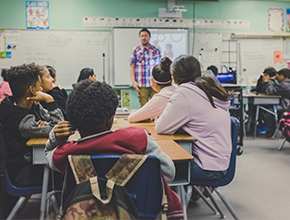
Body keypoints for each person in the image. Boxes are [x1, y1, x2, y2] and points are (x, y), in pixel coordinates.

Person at [45, 80, 184, 219]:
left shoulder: (67, 153)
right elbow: (169, 173)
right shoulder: (138, 139)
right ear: (110, 119)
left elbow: (48, 156)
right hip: (140, 212)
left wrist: (55, 138)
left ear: (73, 122)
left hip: (89, 213)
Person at [155, 55, 232, 183]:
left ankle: (172, 202)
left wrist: (158, 119)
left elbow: (161, 127)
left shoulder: (184, 92)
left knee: (151, 167)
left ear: (174, 77)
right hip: (220, 163)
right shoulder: (207, 88)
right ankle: (190, 195)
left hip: (206, 167)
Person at [0, 63, 64, 187]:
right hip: (22, 172)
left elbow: (53, 123)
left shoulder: (30, 104)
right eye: (40, 85)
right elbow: (60, 128)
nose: (42, 89)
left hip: (31, 164)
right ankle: (55, 205)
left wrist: (47, 125)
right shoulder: (21, 121)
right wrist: (49, 99)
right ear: (32, 90)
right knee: (67, 170)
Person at [128, 57, 176, 122]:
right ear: (172, 79)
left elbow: (131, 118)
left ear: (153, 80)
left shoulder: (159, 98)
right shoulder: (179, 92)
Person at [129, 28, 161, 107]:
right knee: (144, 107)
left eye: (146, 36)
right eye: (142, 36)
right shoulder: (135, 50)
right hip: (141, 84)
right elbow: (131, 66)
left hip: (154, 83)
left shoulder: (155, 50)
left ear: (149, 37)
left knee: (156, 106)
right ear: (140, 37)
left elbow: (159, 67)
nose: (144, 37)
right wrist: (133, 81)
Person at [264, 68, 290, 137]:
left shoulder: (284, 85)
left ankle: (270, 131)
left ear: (282, 76)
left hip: (286, 108)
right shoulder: (286, 84)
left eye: (278, 76)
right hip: (287, 105)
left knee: (270, 111)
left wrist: (271, 81)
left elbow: (270, 91)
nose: (277, 77)